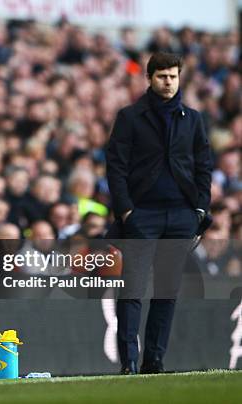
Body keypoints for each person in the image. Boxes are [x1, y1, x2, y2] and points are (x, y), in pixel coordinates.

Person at [106, 52, 212, 375]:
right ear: (149, 78)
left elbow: (204, 165)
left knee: (167, 292)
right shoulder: (130, 117)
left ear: (180, 78)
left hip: (181, 215)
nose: (168, 82)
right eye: (162, 76)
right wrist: (126, 211)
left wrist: (199, 209)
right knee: (132, 289)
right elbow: (116, 167)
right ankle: (130, 362)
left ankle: (154, 361)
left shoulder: (192, 118)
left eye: (173, 76)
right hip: (142, 215)